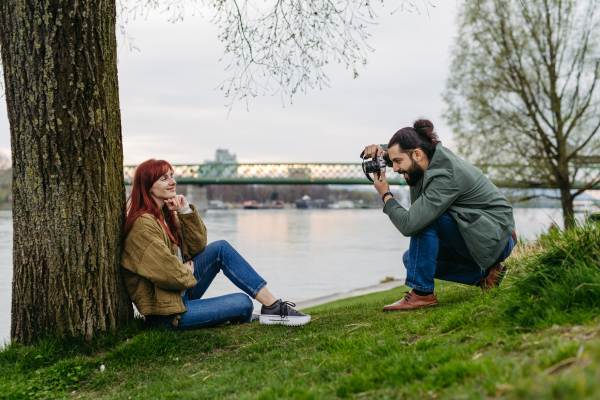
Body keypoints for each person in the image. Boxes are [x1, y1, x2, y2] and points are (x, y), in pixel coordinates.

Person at [120, 159, 311, 329]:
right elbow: (171, 275)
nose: (173, 181)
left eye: (172, 176)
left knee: (220, 247)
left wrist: (185, 211)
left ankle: (273, 306)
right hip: (168, 314)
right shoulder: (143, 225)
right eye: (164, 178)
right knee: (243, 303)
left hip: (179, 295)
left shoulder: (164, 215)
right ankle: (255, 312)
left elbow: (198, 246)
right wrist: (186, 271)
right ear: (148, 186)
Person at [364, 119, 517, 311]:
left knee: (424, 221)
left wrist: (386, 195)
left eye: (397, 162)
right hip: (480, 232)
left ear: (418, 154)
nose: (395, 168)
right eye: (393, 161)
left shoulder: (445, 175)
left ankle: (422, 294)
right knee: (412, 259)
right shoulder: (428, 156)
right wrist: (381, 151)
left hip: (497, 237)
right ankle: (487, 275)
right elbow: (406, 152)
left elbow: (410, 225)